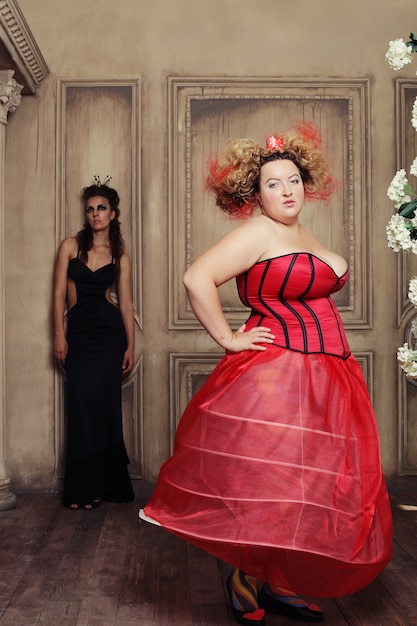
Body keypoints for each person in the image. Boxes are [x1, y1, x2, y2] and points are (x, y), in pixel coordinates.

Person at [139, 124, 392, 624]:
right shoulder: (258, 231)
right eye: (273, 183)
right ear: (255, 194)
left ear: (306, 183)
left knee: (304, 484)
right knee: (270, 480)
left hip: (329, 371)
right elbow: (197, 277)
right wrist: (230, 339)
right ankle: (245, 578)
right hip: (278, 373)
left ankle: (279, 582)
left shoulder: (304, 234)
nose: (286, 190)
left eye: (293, 179)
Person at [53, 178, 135, 510]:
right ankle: (81, 488)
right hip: (80, 334)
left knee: (104, 409)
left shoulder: (119, 255)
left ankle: (104, 485)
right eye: (90, 209)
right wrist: (59, 334)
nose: (95, 214)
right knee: (81, 405)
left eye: (101, 208)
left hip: (109, 335)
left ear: (113, 213)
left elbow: (125, 304)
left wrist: (130, 345)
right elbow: (59, 294)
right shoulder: (70, 246)